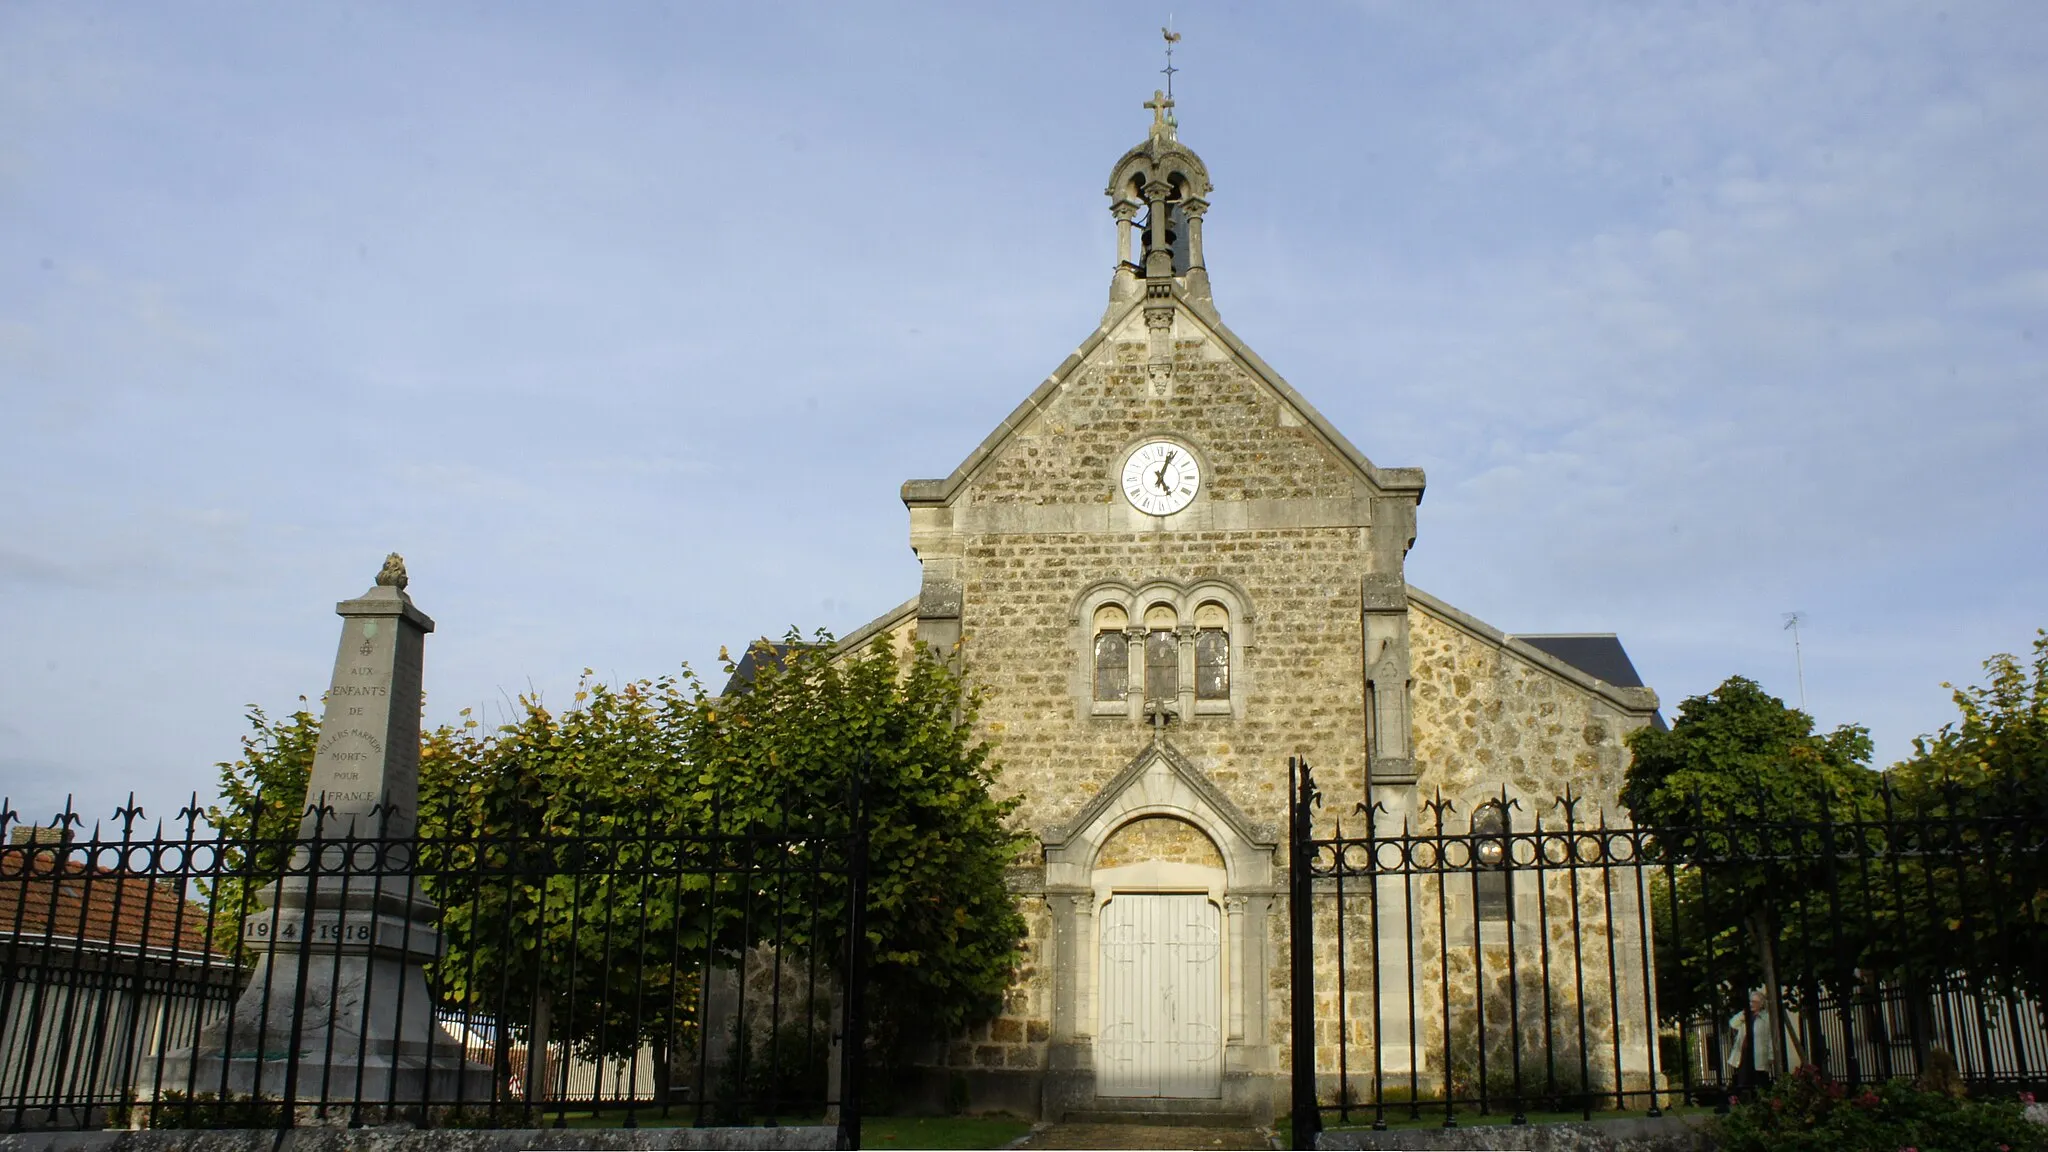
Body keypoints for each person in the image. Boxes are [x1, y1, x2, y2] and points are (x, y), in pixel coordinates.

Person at [1727, 988, 1799, 1096]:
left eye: (1754, 1002)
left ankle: (1759, 1101)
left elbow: (1771, 1037)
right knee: (1743, 1081)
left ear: (1761, 1004)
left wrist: (1771, 1055)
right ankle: (1744, 1102)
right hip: (1744, 1053)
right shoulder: (1745, 1017)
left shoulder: (1766, 1018)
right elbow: (1732, 1024)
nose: (1751, 1004)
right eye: (1750, 1001)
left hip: (1759, 1054)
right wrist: (1743, 1013)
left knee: (1759, 1081)